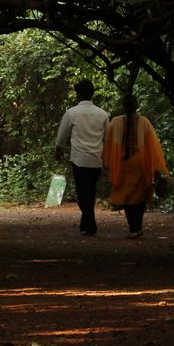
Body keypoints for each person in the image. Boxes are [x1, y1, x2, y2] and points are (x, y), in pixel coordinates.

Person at [102, 92, 168, 238]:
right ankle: (138, 227)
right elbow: (153, 147)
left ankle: (133, 228)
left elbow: (108, 146)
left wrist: (107, 164)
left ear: (123, 107)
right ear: (137, 106)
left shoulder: (115, 122)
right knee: (140, 196)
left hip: (123, 164)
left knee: (127, 197)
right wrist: (156, 168)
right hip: (141, 164)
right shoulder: (144, 122)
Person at [54, 80, 109, 235]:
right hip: (96, 158)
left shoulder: (71, 113)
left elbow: (61, 135)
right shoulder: (102, 114)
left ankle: (90, 224)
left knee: (82, 192)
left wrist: (59, 150)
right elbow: (109, 137)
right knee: (90, 191)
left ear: (78, 95)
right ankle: (86, 225)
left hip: (79, 158)